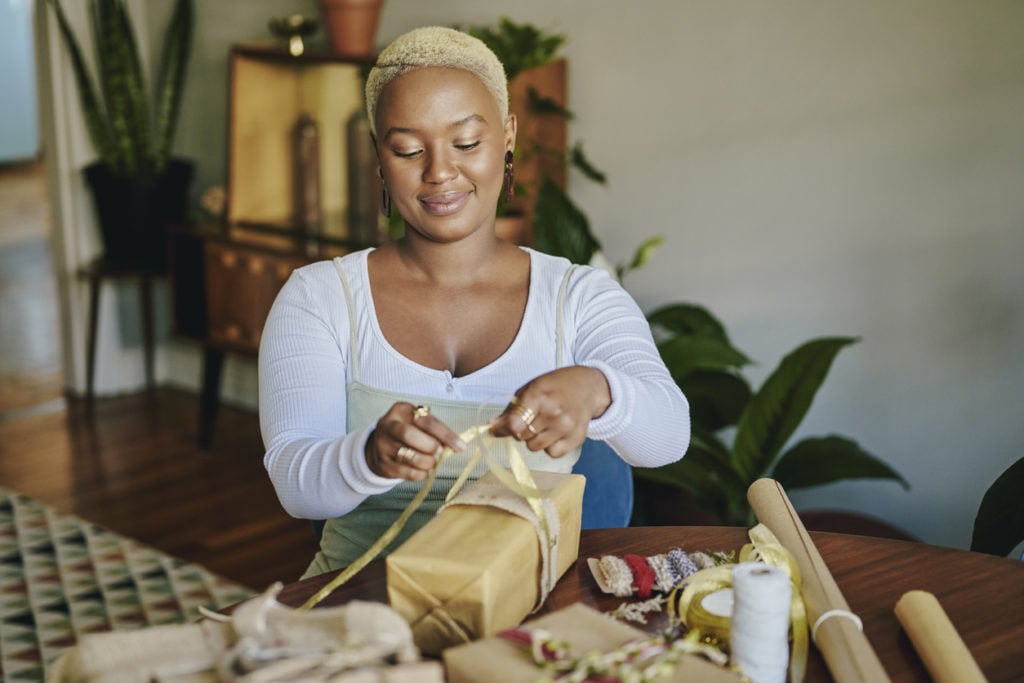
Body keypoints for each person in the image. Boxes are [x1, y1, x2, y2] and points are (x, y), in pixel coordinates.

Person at [258, 26, 689, 578]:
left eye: (466, 143)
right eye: (408, 149)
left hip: (532, 611)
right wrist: (368, 456)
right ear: (379, 158)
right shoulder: (319, 297)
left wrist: (598, 389)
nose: (440, 172)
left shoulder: (578, 297)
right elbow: (296, 485)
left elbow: (669, 437)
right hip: (360, 602)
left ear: (507, 136)